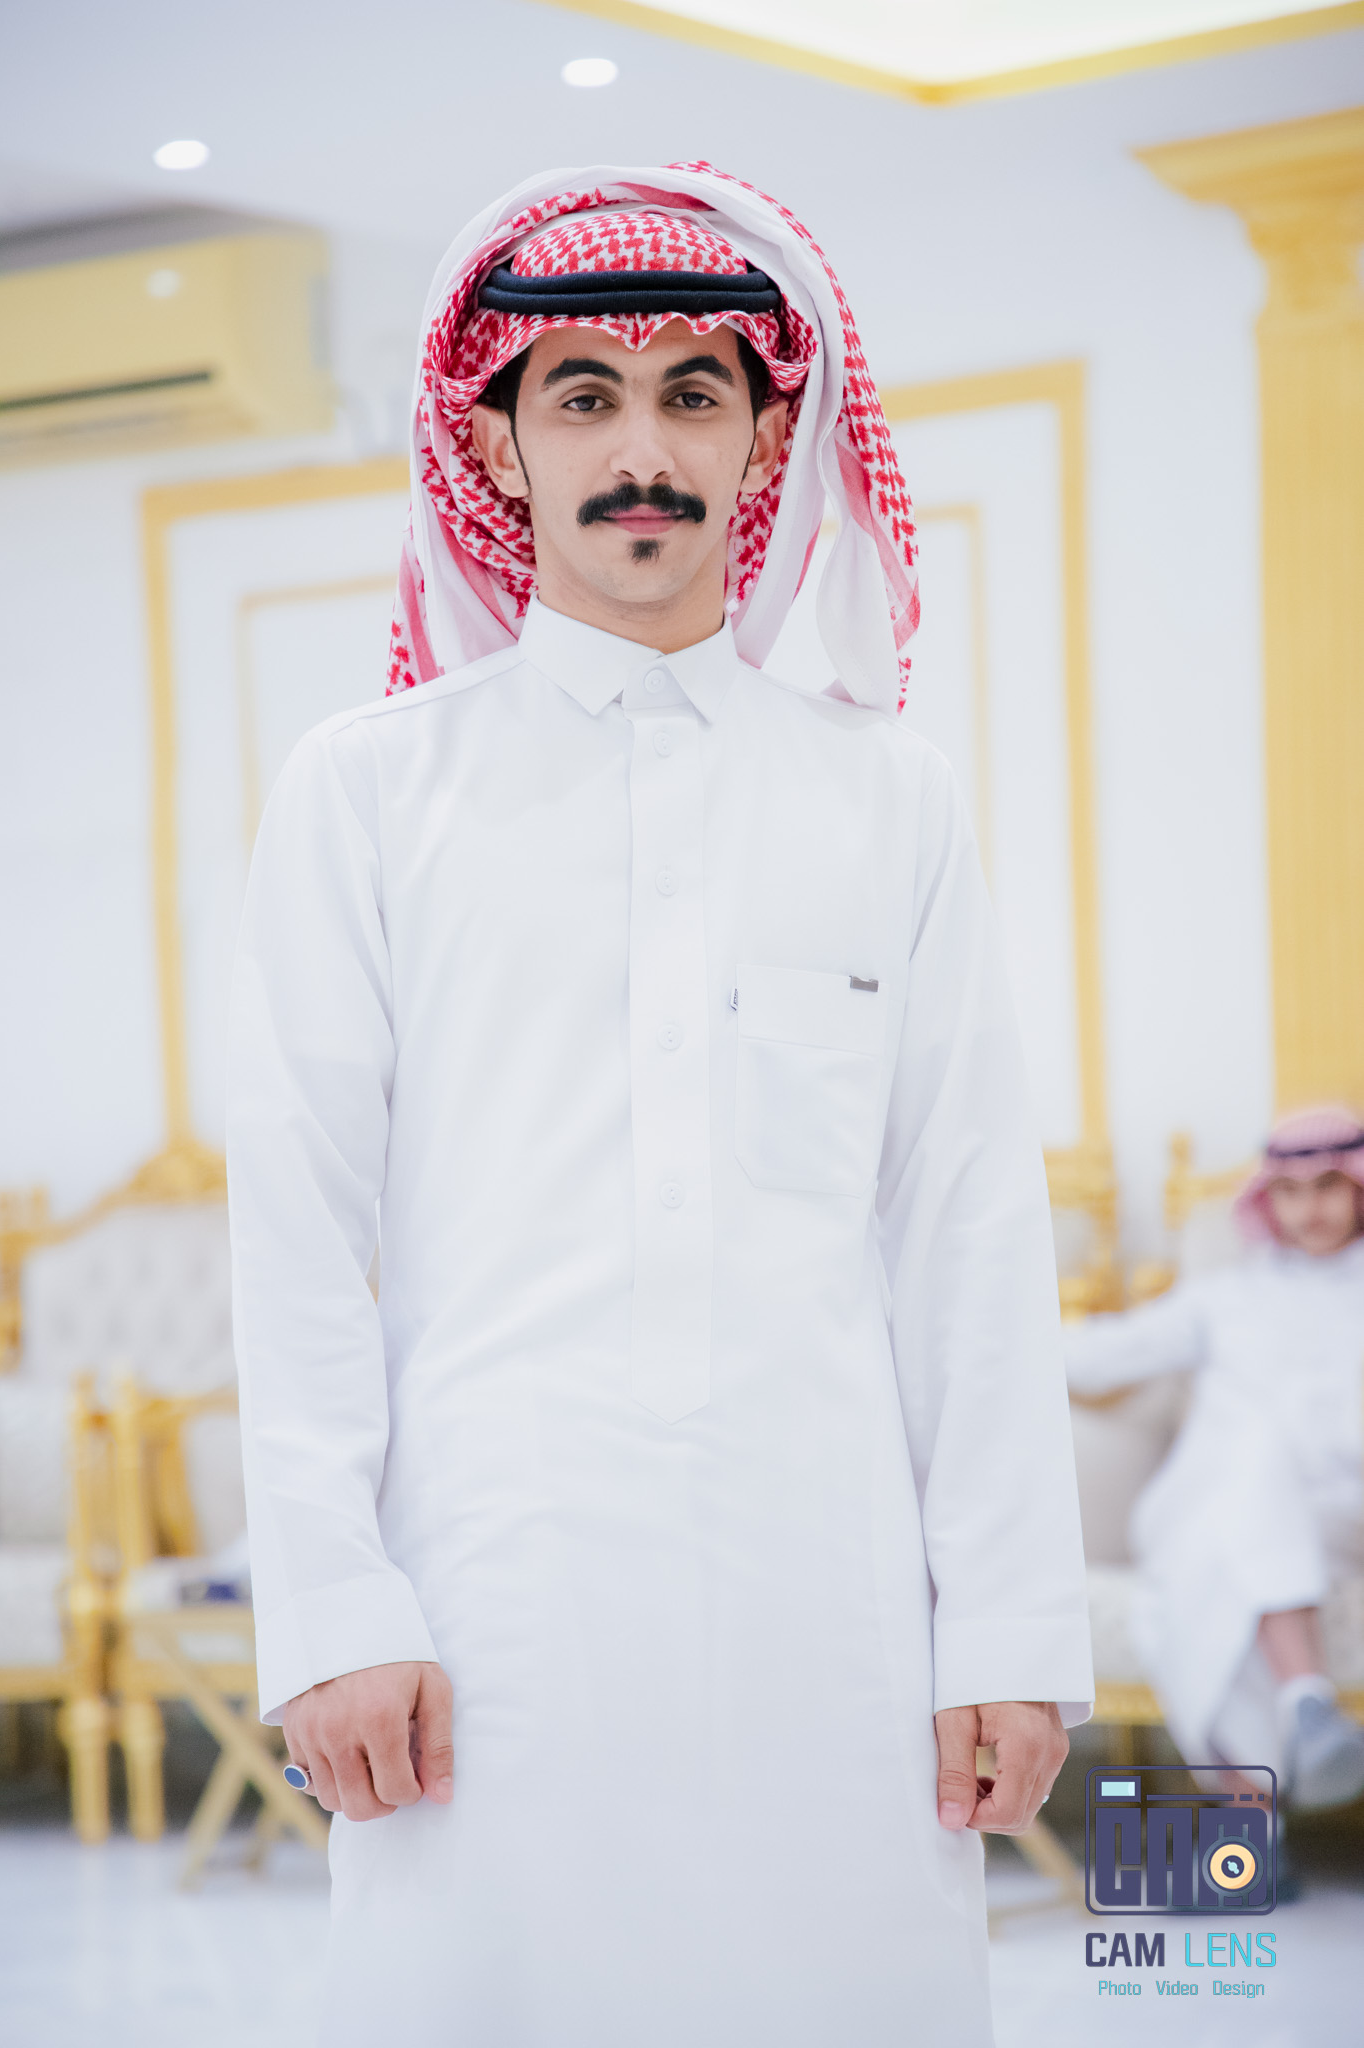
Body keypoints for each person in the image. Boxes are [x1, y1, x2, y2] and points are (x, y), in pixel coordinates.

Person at [227, 162, 1092, 2047]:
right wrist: (333, 1607)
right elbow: (295, 1229)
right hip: (486, 1602)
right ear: (497, 439)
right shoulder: (368, 790)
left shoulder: (890, 796)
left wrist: (1012, 1625)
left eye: (695, 394)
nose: (643, 452)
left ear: (768, 433)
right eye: (584, 397)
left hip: (831, 1608)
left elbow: (967, 1224)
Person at [1066, 1105, 1364, 1808]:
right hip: (1201, 1502)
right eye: (1289, 1191)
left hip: (1334, 1513)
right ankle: (1304, 1702)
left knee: (1206, 1577)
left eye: (1327, 1186)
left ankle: (1249, 1821)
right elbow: (1101, 1355)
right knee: (1247, 1459)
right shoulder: (1225, 1296)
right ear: (1268, 1199)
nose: (1309, 1208)